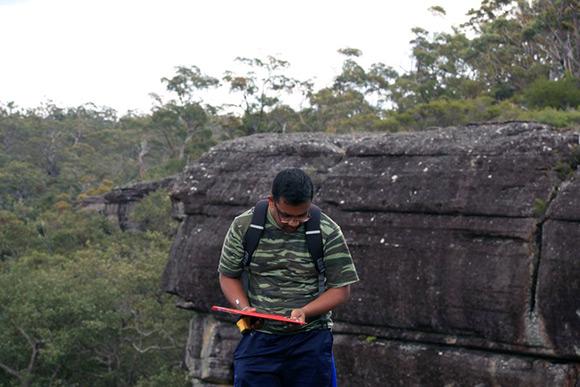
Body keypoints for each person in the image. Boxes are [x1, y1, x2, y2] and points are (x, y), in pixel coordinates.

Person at [218, 168, 359, 387]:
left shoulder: (327, 230)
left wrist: (305, 311)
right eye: (286, 216)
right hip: (259, 338)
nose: (293, 223)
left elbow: (341, 289)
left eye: (301, 216)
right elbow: (228, 275)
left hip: (310, 339)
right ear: (272, 201)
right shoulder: (245, 226)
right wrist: (243, 307)